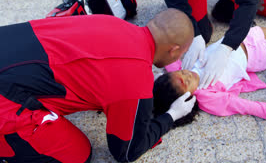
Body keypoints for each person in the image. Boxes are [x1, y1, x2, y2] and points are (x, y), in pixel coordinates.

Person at [0, 9, 196, 162]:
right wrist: (171, 116)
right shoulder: (136, 85)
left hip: (7, 42)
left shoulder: (111, 22)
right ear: (174, 50)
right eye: (182, 54)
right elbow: (126, 152)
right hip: (5, 96)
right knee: (76, 154)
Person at [153, 0, 266, 124]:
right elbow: (244, 106)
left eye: (181, 72)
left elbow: (157, 54)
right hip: (256, 56)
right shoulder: (207, 96)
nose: (187, 74)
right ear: (186, 99)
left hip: (238, 38)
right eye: (185, 82)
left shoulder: (180, 67)